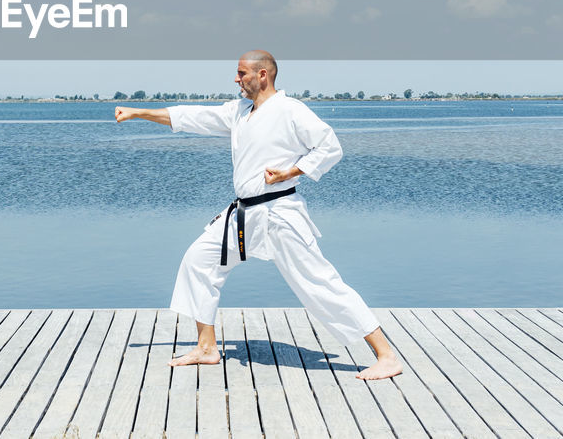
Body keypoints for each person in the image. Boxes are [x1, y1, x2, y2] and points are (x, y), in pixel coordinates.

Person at [115, 50, 403, 380]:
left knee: (318, 283)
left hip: (280, 214)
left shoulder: (290, 110)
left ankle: (386, 355)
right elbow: (192, 117)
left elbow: (330, 147)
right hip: (243, 214)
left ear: (262, 75)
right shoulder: (239, 112)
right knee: (198, 260)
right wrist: (139, 112)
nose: (236, 80)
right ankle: (207, 347)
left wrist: (290, 171)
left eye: (242, 74)